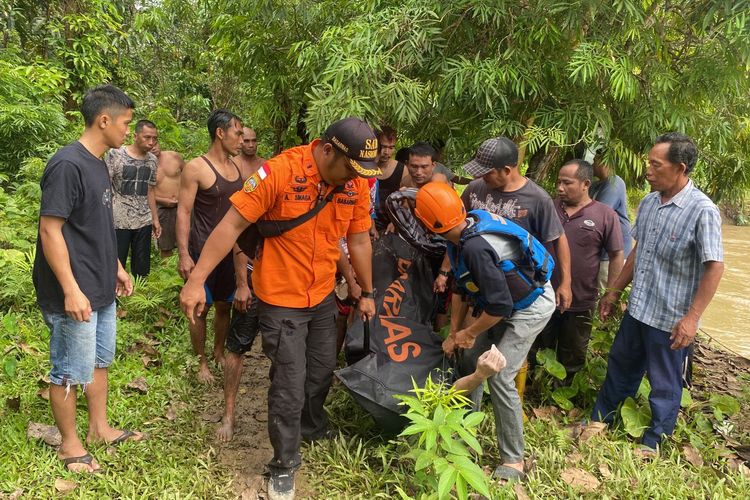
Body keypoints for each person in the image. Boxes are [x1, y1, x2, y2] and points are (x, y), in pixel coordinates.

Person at [180, 117, 379, 500]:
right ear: (326, 150)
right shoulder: (282, 171)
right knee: (289, 382)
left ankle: (310, 424)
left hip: (321, 294)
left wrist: (365, 290)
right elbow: (231, 225)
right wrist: (195, 280)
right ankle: (283, 465)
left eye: (359, 173)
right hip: (279, 296)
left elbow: (358, 241)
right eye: (348, 168)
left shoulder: (354, 185)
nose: (353, 178)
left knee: (320, 371)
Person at [32, 84, 144, 474]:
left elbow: (95, 225)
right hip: (73, 291)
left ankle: (99, 428)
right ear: (104, 120)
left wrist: (116, 267)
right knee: (67, 368)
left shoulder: (99, 163)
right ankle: (70, 446)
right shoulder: (67, 164)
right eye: (126, 123)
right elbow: (51, 230)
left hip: (99, 285)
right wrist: (70, 289)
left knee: (99, 361)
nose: (128, 131)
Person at [591, 133, 724, 456]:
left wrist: (692, 319)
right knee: (620, 365)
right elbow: (639, 250)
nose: (647, 170)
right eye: (648, 162)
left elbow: (714, 267)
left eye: (655, 164)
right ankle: (601, 418)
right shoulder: (650, 202)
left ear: (680, 168)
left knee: (665, 383)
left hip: (671, 317)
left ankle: (654, 441)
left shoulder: (702, 210)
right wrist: (613, 291)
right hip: (639, 308)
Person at [413, 182, 556, 482]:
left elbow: (500, 306)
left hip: (530, 305)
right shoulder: (461, 231)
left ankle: (513, 460)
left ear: (428, 225)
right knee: (470, 360)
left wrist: (469, 332)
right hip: (502, 302)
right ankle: (465, 435)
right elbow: (461, 288)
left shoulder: (475, 246)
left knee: (500, 373)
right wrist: (455, 333)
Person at [454, 137, 572, 312]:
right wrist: (447, 269)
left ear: (507, 170)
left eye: (487, 173)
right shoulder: (475, 188)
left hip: (514, 287)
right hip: (476, 280)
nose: (480, 177)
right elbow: (457, 227)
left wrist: (565, 283)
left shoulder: (538, 199)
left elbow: (558, 238)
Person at [534, 160, 624, 377]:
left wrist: (611, 294)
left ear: (585, 184)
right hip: (541, 294)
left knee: (572, 352)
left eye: (567, 183)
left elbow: (616, 255)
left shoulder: (604, 215)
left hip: (581, 298)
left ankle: (563, 396)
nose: (560, 188)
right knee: (538, 347)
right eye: (558, 182)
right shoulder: (547, 208)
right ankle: (535, 389)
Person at [176, 109, 245, 383]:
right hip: (202, 249)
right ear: (220, 132)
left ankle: (217, 351)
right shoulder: (196, 167)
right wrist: (183, 254)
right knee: (200, 307)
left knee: (224, 306)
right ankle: (200, 361)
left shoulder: (236, 167)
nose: (241, 139)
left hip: (231, 252)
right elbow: (183, 211)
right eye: (237, 132)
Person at [216, 127, 267, 441]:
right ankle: (229, 413)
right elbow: (238, 242)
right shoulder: (251, 189)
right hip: (253, 281)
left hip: (281, 288)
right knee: (237, 348)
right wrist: (242, 284)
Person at [105, 119, 161, 278]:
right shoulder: (116, 154)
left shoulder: (152, 160)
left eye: (154, 138)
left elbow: (150, 189)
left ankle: (138, 297)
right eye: (147, 137)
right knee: (116, 263)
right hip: (118, 219)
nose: (151, 142)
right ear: (135, 136)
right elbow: (105, 185)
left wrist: (155, 219)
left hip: (143, 220)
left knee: (142, 267)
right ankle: (114, 298)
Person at [590, 153, 633, 289]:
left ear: (604, 162)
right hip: (601, 253)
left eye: (595, 161)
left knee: (607, 293)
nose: (592, 165)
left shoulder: (614, 182)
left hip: (612, 254)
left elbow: (599, 213)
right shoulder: (596, 185)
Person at [152, 140, 185, 258]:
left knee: (188, 241)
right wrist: (162, 200)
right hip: (163, 209)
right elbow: (146, 192)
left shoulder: (174, 156)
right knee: (166, 247)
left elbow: (188, 175)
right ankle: (167, 273)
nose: (153, 147)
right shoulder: (145, 164)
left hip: (183, 206)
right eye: (150, 145)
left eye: (155, 143)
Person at [373, 126, 406, 232]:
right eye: (383, 147)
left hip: (392, 225)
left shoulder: (402, 169)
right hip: (367, 223)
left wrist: (396, 222)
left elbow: (406, 200)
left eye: (391, 148)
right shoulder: (364, 168)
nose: (386, 152)